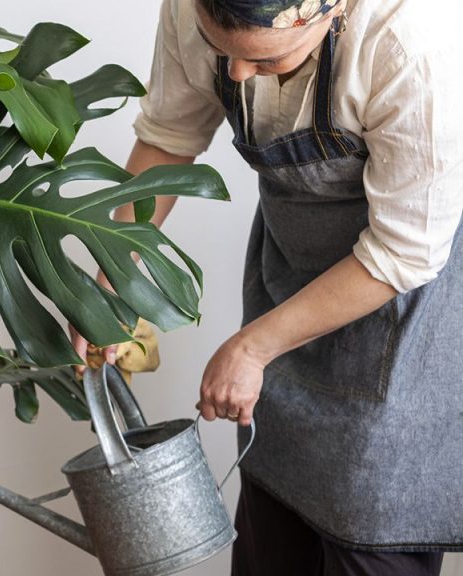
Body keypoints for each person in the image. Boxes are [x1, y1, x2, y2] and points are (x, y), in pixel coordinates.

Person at [71, 0, 463, 574]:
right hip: (283, 284)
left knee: (372, 535)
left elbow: (404, 249)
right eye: (221, 49)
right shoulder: (192, 6)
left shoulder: (407, 44)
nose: (234, 74)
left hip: (406, 315)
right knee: (270, 534)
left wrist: (253, 347)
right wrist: (113, 276)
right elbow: (169, 139)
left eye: (263, 59)